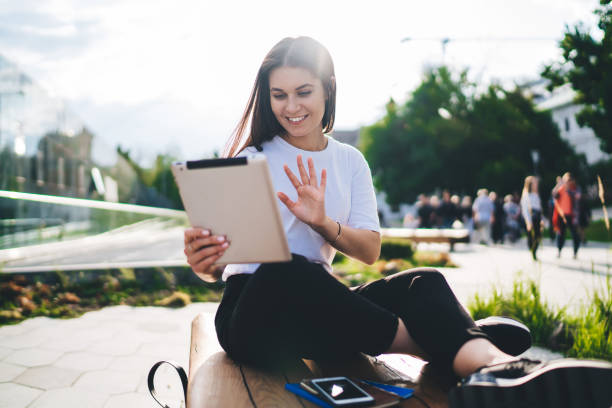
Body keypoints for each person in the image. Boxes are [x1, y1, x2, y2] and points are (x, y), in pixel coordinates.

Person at [182, 37, 611, 407]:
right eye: (279, 95)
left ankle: (504, 368)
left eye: (303, 91)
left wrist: (321, 221)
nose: (291, 106)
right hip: (253, 318)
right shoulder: (248, 160)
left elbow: (369, 252)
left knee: (421, 280)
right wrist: (204, 263)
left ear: (328, 89)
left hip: (322, 310)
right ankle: (453, 341)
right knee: (287, 270)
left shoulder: (349, 162)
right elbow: (217, 269)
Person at [552, 172, 581, 258]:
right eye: (565, 181)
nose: (567, 182)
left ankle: (575, 252)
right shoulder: (561, 189)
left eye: (568, 180)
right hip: (562, 216)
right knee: (560, 234)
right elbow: (554, 194)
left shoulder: (575, 188)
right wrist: (558, 185)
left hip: (572, 216)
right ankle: (559, 251)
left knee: (575, 234)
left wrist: (568, 190)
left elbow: (577, 196)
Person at [521, 176, 543, 261]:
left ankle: (534, 252)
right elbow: (525, 210)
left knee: (538, 236)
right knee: (531, 237)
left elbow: (539, 209)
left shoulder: (536, 195)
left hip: (537, 217)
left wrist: (542, 220)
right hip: (531, 218)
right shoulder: (526, 195)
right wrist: (528, 222)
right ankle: (532, 251)